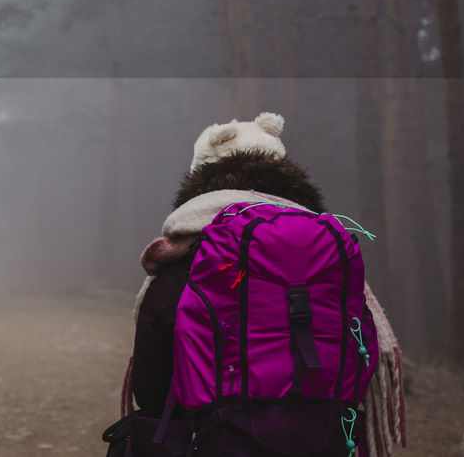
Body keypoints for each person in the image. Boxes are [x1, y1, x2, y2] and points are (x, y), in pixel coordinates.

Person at [111, 113, 406, 457]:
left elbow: (151, 386)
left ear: (200, 175)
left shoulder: (186, 260)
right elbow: (360, 356)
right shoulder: (326, 258)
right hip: (322, 440)